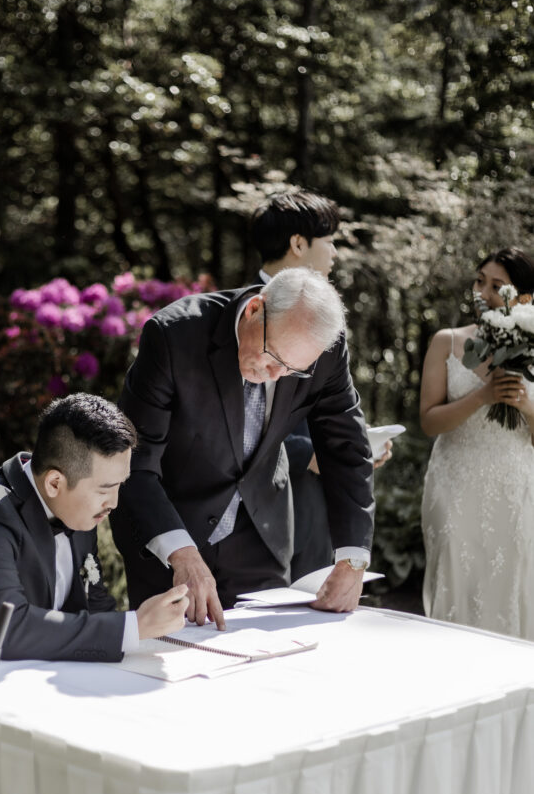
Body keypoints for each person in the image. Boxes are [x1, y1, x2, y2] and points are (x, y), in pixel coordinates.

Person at [110, 266, 375, 630]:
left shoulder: (324, 350)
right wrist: (182, 554)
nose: (275, 375)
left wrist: (353, 560)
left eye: (292, 371)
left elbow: (346, 448)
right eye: (273, 357)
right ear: (254, 310)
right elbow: (134, 461)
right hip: (173, 535)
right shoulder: (174, 336)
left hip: (260, 533)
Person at [0, 393, 189, 668]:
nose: (114, 503)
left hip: (29, 679)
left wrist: (144, 630)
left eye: (119, 486)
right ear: (54, 483)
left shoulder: (76, 508)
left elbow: (94, 607)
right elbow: (8, 631)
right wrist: (132, 627)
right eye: (105, 489)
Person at [250, 189, 391, 580]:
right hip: (252, 504)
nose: (333, 254)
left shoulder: (326, 316)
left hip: (314, 497)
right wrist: (306, 453)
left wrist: (355, 447)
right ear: (298, 244)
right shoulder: (240, 315)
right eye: (328, 242)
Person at [420, 247, 534, 639]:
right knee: (456, 576)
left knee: (514, 581)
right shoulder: (447, 342)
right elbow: (429, 422)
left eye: (496, 285)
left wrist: (527, 407)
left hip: (517, 485)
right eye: (479, 280)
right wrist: (481, 398)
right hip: (456, 482)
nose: (482, 291)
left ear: (524, 298)